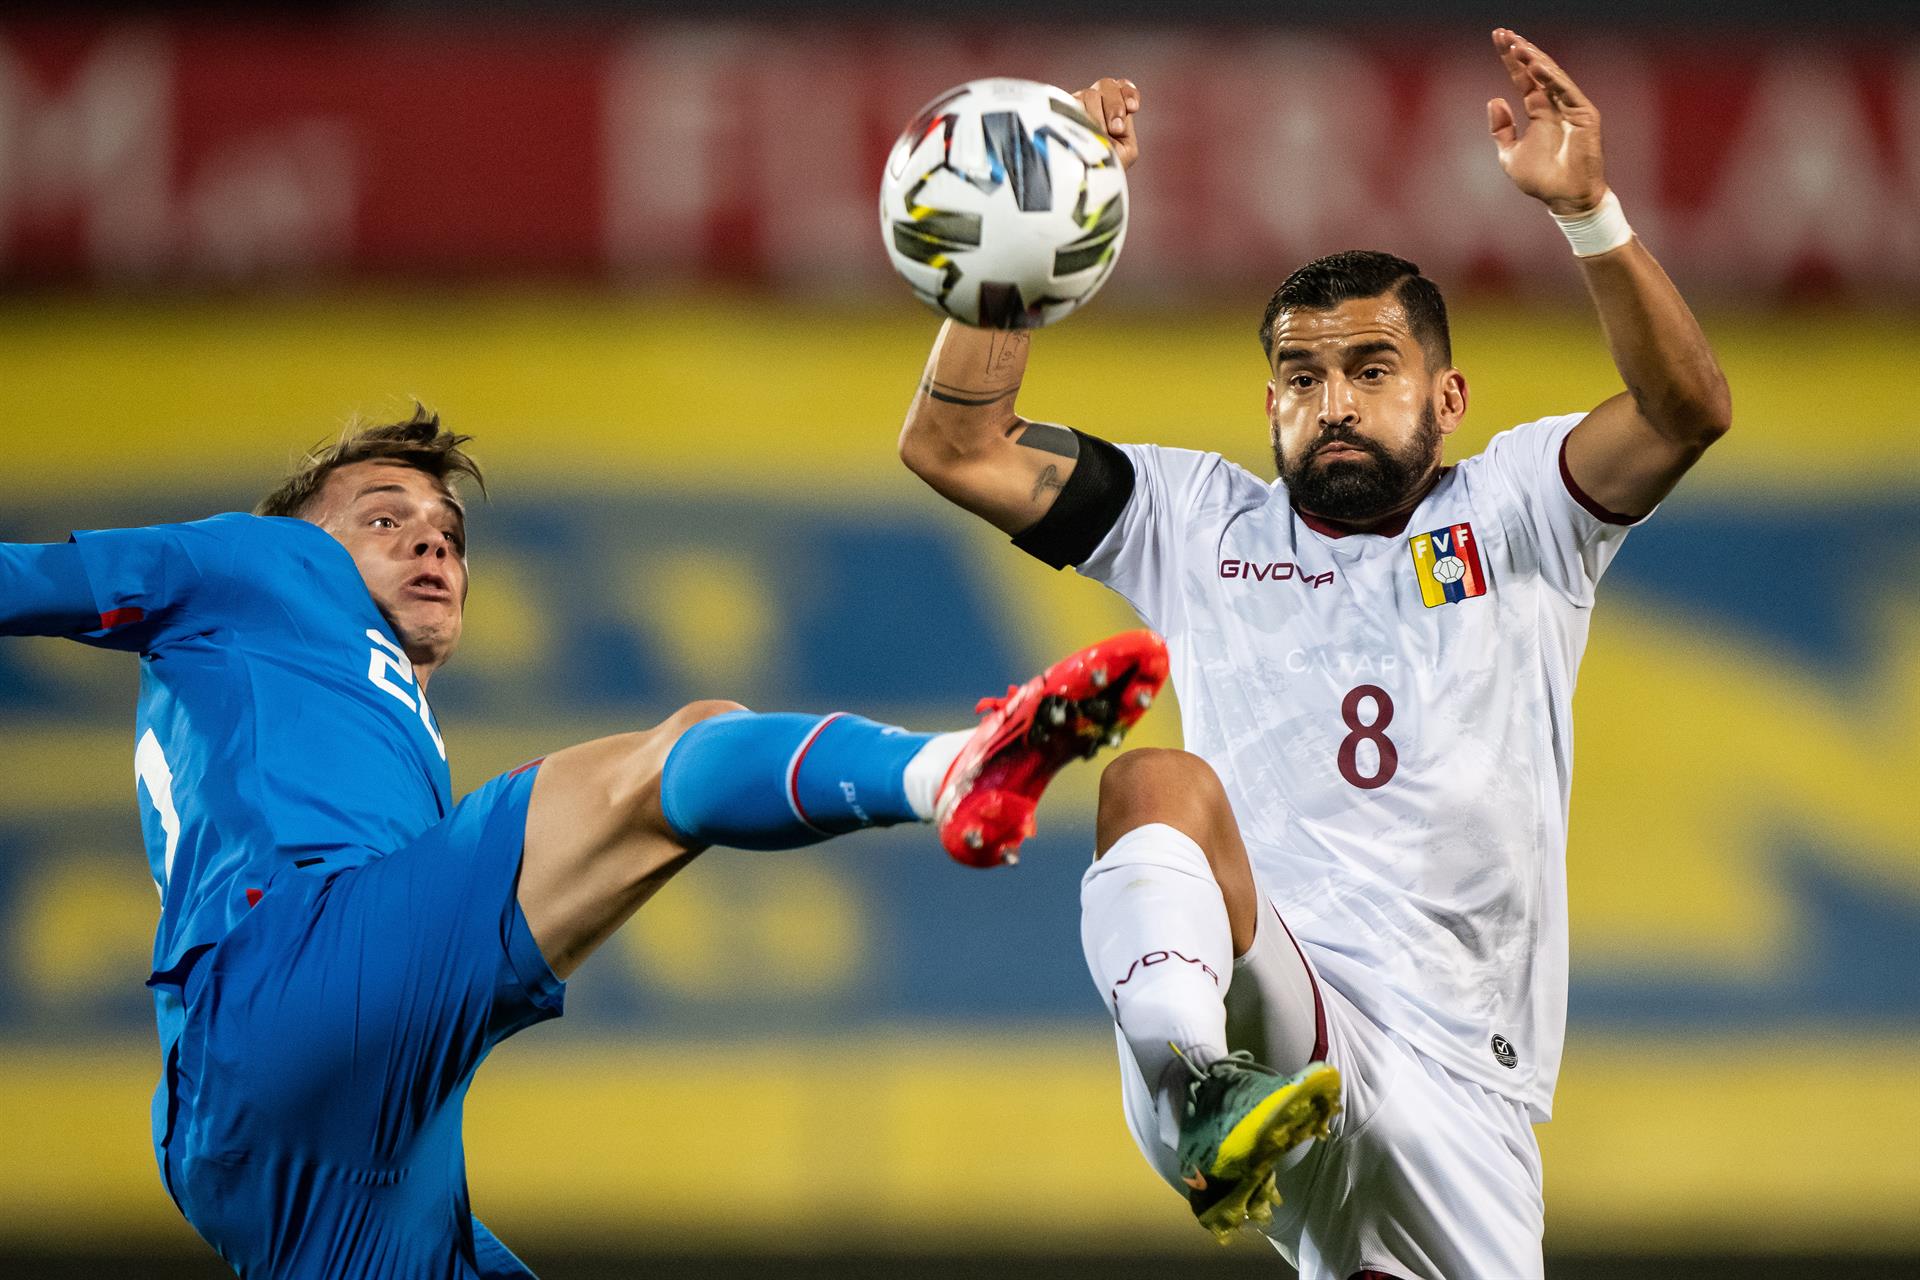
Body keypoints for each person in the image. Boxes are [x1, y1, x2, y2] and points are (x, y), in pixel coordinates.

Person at [897, 30, 1731, 1279]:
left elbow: (1689, 410)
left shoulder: (1519, 510)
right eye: (1299, 375)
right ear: (1269, 400)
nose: (1331, 399)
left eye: (1370, 368)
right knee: (1150, 787)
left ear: (1447, 400)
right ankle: (1197, 1088)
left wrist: (1591, 215)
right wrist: (1022, 246)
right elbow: (955, 447)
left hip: (1460, 1086)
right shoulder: (1195, 520)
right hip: (1265, 1025)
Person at [0, 407, 1168, 1277]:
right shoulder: (255, 560)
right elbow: (33, 577)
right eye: (383, 518)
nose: (431, 542)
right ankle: (948, 768)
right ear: (300, 542)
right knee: (672, 762)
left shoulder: (358, 708)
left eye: (447, 530)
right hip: (291, 978)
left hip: (292, 1139)